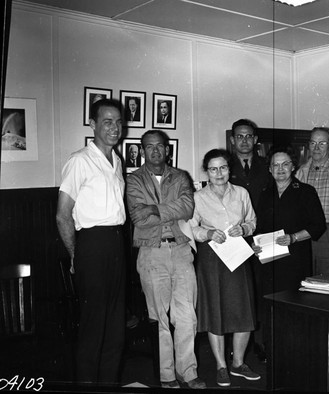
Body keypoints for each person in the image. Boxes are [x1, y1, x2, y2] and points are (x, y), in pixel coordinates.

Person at [125, 130, 206, 389]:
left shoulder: (180, 176)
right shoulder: (133, 180)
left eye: (160, 146)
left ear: (167, 150)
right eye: (149, 147)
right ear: (142, 151)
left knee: (186, 316)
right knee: (158, 317)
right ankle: (167, 375)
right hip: (151, 252)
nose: (155, 151)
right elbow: (139, 217)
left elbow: (188, 208)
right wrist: (162, 210)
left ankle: (188, 371)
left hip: (182, 250)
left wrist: (154, 208)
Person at [55, 98, 126, 385]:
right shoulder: (79, 161)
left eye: (119, 122)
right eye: (107, 121)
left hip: (117, 244)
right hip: (92, 247)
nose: (114, 127)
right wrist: (76, 254)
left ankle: (108, 385)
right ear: (93, 124)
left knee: (115, 327)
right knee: (93, 326)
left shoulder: (117, 161)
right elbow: (62, 216)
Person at [188, 149, 260, 387]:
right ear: (206, 171)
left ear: (230, 169)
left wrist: (246, 229)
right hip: (212, 257)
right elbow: (191, 228)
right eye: (213, 169)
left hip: (238, 255)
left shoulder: (241, 193)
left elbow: (252, 219)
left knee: (243, 310)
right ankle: (221, 366)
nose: (218, 173)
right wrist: (207, 233)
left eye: (223, 168)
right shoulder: (198, 197)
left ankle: (238, 363)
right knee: (215, 311)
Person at [252, 145, 326, 295]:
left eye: (285, 164)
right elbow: (258, 227)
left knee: (294, 301)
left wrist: (294, 238)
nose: (280, 169)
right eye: (275, 165)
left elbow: (318, 225)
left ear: (293, 166)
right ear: (270, 169)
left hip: (296, 258)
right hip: (269, 261)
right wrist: (255, 244)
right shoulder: (265, 194)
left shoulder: (306, 192)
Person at [228, 118, 272, 362]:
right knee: (239, 294)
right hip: (235, 240)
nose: (244, 141)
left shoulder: (267, 166)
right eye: (239, 136)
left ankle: (263, 344)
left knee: (263, 292)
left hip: (264, 238)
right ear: (233, 140)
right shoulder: (224, 166)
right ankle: (239, 348)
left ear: (255, 140)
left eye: (248, 136)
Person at [296, 127, 329, 275]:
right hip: (305, 235)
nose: (316, 148)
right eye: (313, 143)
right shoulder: (300, 172)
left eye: (322, 143)